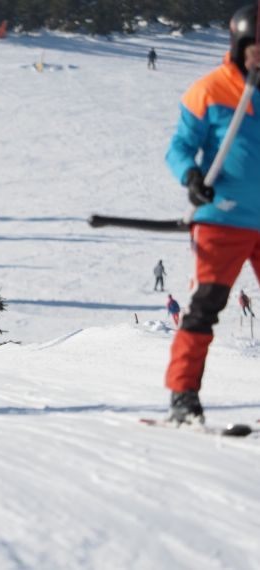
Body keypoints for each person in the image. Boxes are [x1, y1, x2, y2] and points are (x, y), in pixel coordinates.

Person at [162, 4, 260, 425]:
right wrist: (191, 176)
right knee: (206, 306)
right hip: (222, 218)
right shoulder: (211, 89)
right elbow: (179, 147)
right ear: (240, 45)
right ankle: (184, 396)